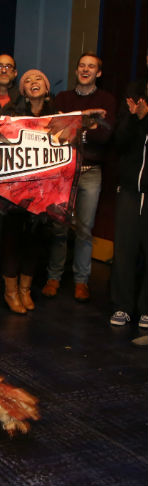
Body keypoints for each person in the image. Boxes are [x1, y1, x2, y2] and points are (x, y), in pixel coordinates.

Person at [42, 52, 116, 301]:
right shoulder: (62, 98)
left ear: (99, 73)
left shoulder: (107, 100)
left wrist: (75, 124)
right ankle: (53, 277)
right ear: (76, 71)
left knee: (85, 229)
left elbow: (104, 136)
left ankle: (81, 281)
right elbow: (54, 133)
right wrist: (88, 123)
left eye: (91, 67)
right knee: (59, 226)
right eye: (82, 66)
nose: (86, 70)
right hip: (62, 171)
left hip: (90, 172)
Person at [1, 69, 56, 313]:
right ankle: (10, 292)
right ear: (22, 90)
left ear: (46, 88)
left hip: (45, 190)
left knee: (35, 241)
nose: (33, 83)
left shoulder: (56, 116)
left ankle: (25, 290)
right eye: (28, 81)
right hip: (15, 190)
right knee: (13, 240)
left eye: (38, 80)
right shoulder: (12, 114)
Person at [109, 57, 147, 328]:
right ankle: (122, 306)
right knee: (124, 249)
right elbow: (119, 141)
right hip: (131, 189)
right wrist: (135, 119)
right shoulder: (134, 91)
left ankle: (146, 309)